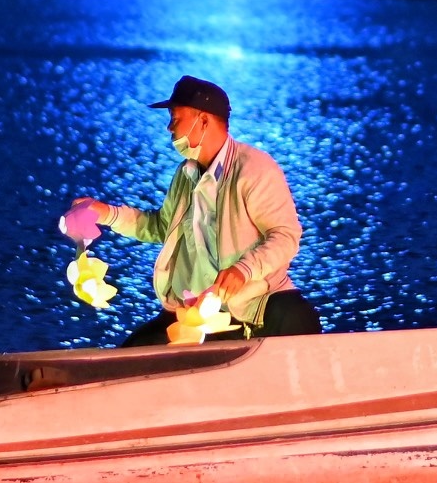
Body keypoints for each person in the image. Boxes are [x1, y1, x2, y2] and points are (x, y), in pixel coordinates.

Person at [67, 75, 320, 348]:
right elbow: (161, 227)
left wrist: (243, 270)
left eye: (175, 118)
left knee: (294, 321)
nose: (169, 127)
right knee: (132, 353)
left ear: (204, 121)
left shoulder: (254, 169)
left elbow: (285, 235)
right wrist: (106, 213)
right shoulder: (185, 174)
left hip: (250, 310)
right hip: (195, 311)